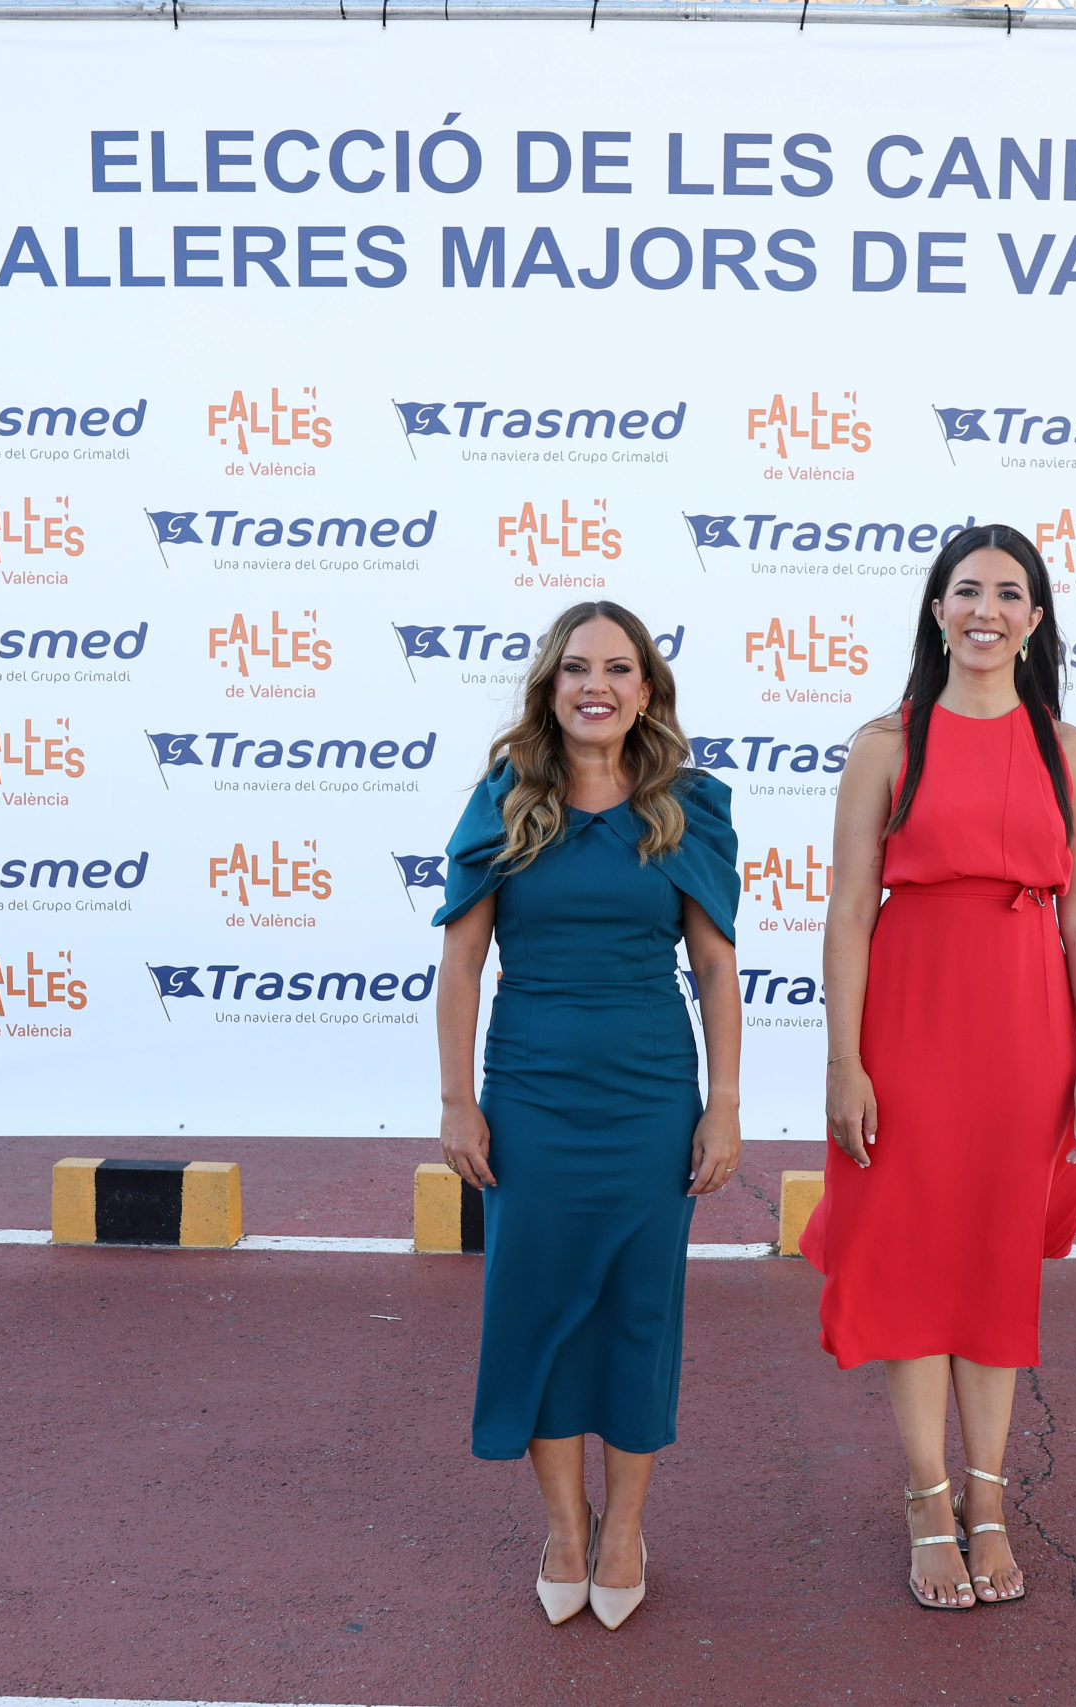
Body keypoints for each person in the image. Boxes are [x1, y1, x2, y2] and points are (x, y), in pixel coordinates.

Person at [802, 524, 1076, 1610]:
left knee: (994, 1259)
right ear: (937, 610)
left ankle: (990, 1496)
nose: (987, 609)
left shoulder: (1065, 749)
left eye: (1009, 593)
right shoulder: (886, 744)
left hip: (1027, 1031)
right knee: (908, 1258)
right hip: (909, 1023)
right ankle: (926, 1498)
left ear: (1035, 619)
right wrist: (845, 1061)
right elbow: (849, 911)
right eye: (967, 590)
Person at [433, 600, 743, 1630]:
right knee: (537, 1310)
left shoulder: (688, 807)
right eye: (576, 668)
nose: (595, 685)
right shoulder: (504, 800)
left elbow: (714, 967)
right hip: (530, 1094)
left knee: (638, 1312)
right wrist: (458, 1102)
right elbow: (462, 963)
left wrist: (723, 1106)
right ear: (550, 686)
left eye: (616, 668)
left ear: (645, 690)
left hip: (652, 1097)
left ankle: (625, 1532)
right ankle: (566, 1528)